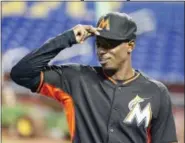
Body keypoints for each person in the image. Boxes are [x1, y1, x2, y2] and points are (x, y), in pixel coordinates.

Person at [10, 12, 178, 143]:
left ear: (130, 45)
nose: (102, 50)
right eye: (99, 43)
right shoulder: (76, 79)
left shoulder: (155, 92)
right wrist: (67, 38)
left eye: (110, 44)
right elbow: (21, 73)